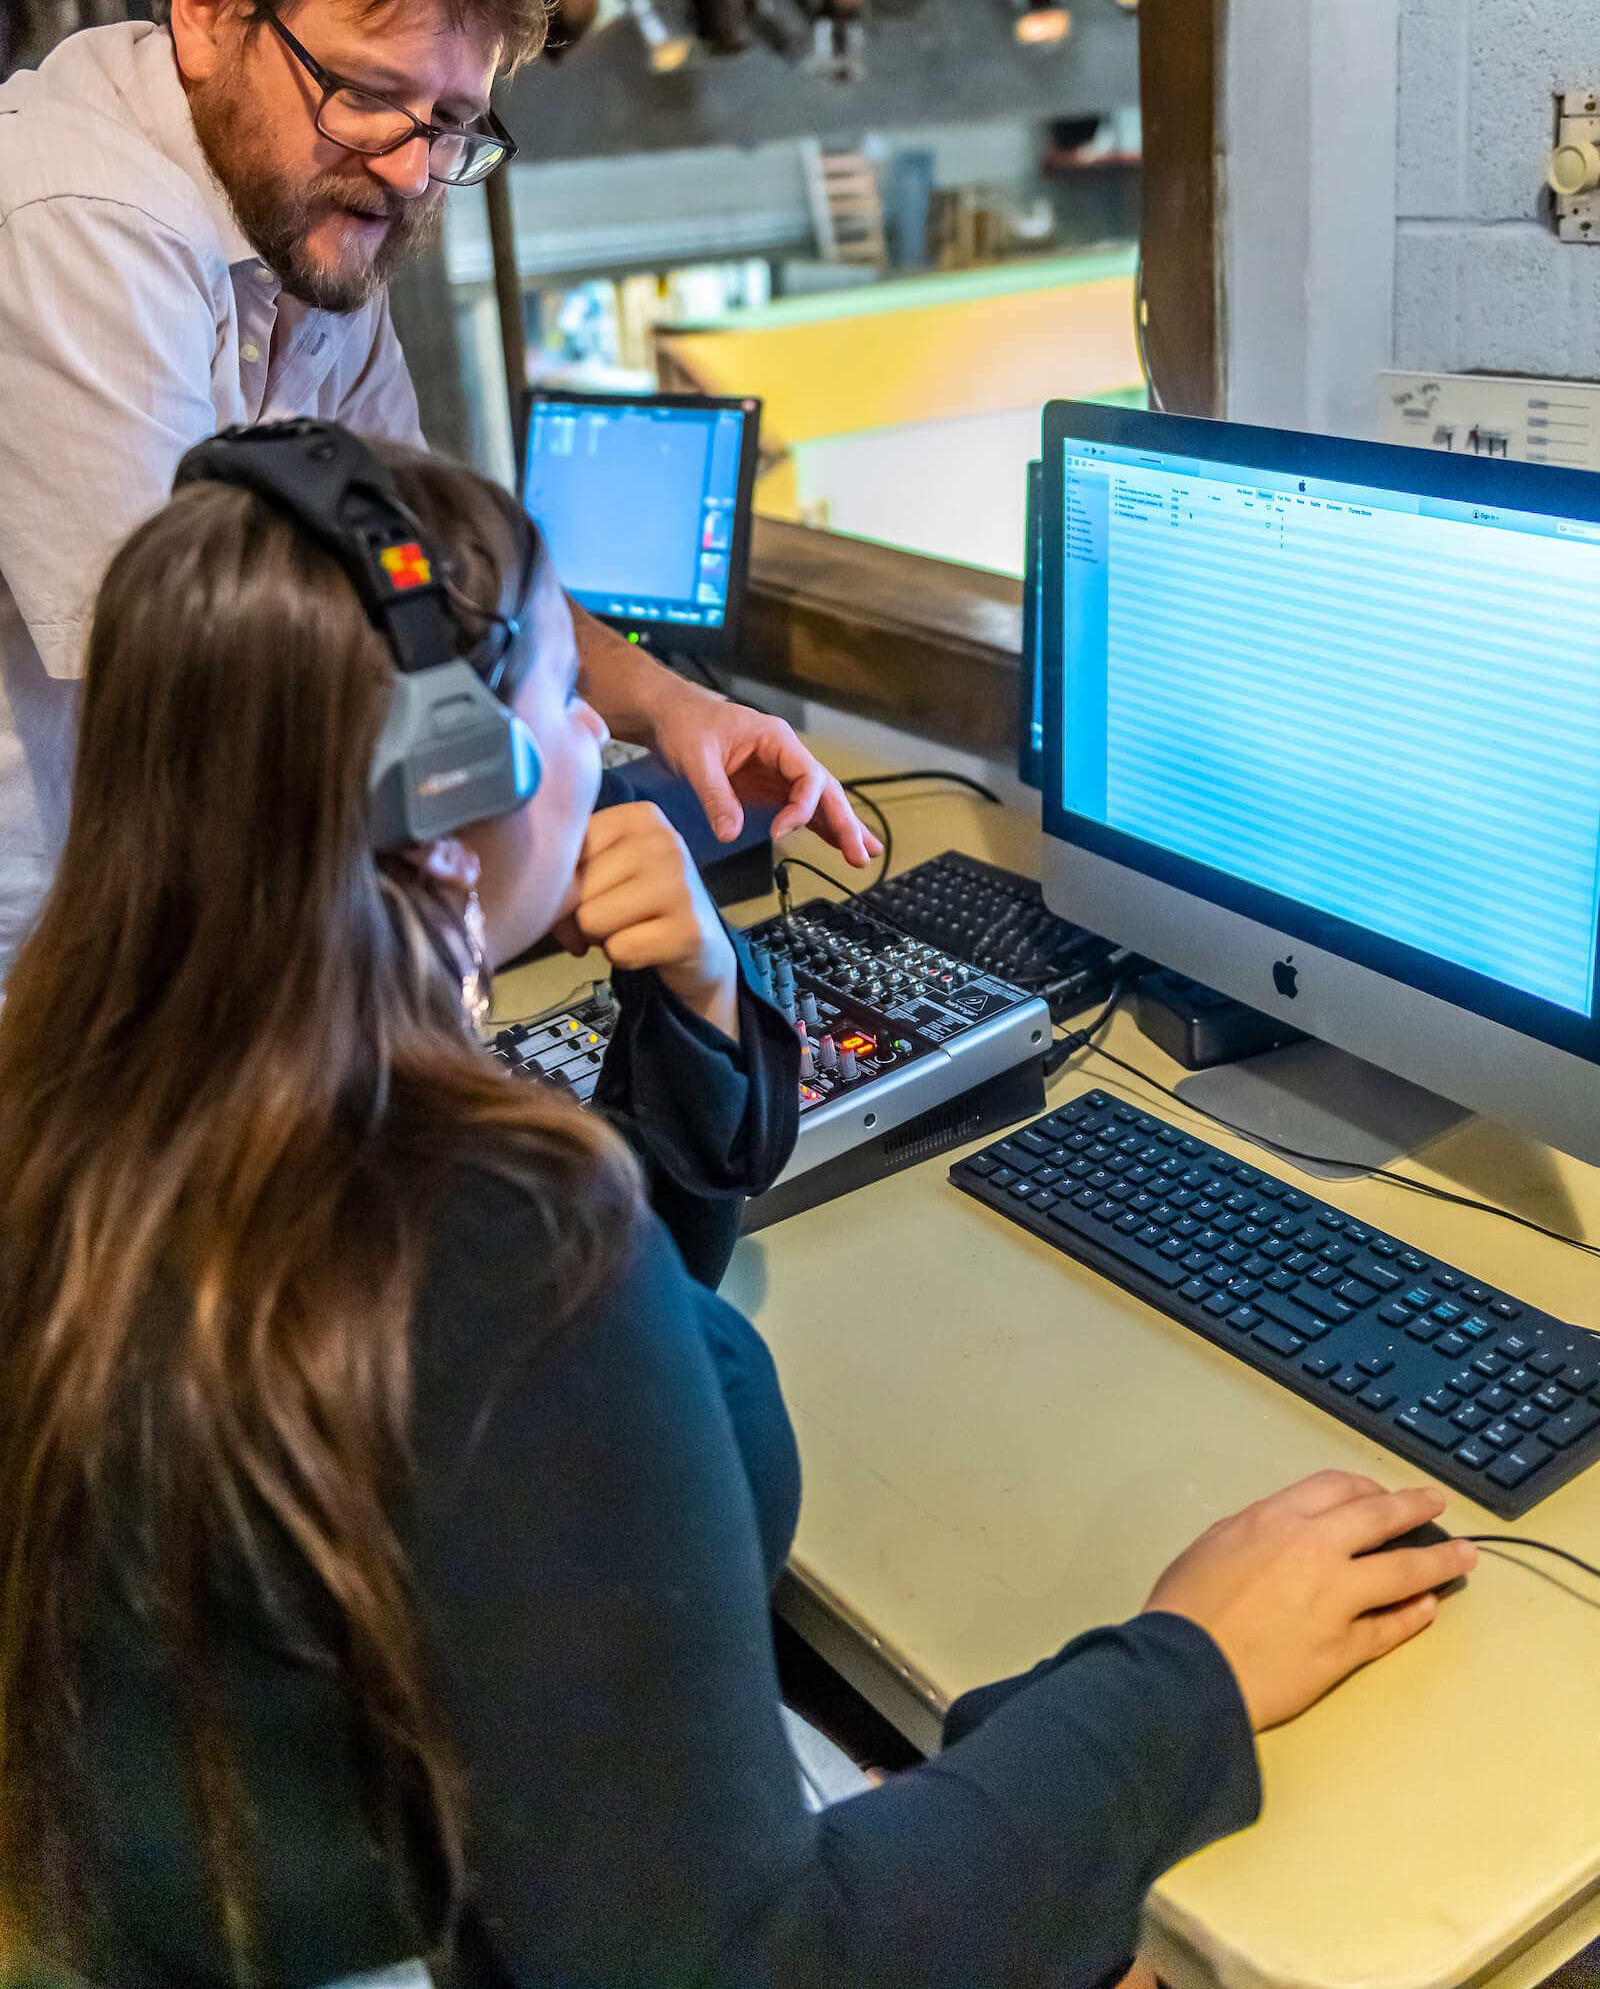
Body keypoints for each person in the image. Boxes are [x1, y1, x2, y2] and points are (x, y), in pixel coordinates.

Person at [0, 431, 1477, 1989]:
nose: (595, 736)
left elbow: (537, 1432)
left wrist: (701, 993)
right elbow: (748, 1964)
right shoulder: (490, 1252)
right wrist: (1189, 1671)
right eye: (559, 703)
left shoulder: (117, 1104)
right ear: (448, 803)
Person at [0, 0, 875, 984]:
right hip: (54, 980)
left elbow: (428, 585)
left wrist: (663, 703)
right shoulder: (74, 222)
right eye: (368, 93)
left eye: (452, 122)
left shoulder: (306, 209)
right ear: (206, 7)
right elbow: (217, 702)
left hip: (202, 936)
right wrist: (526, 839)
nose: (415, 172)